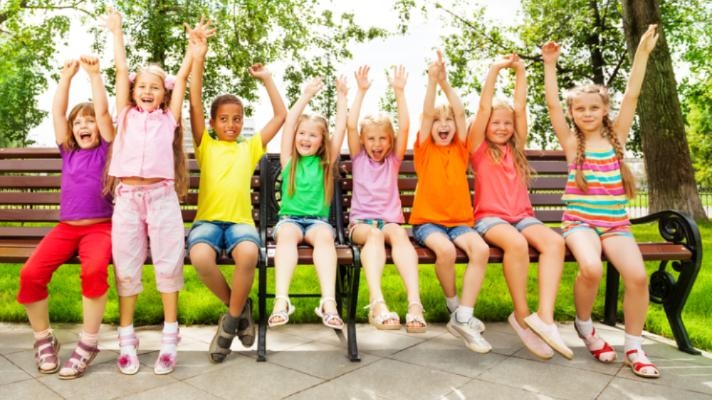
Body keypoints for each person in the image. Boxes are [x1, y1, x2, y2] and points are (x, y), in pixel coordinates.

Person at [543, 24, 660, 377]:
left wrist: (641, 53)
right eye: (580, 109)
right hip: (579, 224)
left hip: (615, 225)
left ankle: (634, 347)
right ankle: (585, 326)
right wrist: (550, 64)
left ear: (604, 109)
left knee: (638, 277)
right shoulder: (570, 142)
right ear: (573, 113)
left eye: (594, 107)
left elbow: (632, 95)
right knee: (591, 268)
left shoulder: (617, 137)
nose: (587, 113)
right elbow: (552, 104)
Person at [186, 20, 287, 363]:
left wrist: (267, 79)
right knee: (201, 257)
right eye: (224, 119)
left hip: (241, 223)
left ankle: (229, 323)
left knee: (247, 255)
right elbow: (194, 104)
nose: (231, 124)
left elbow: (281, 115)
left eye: (237, 118)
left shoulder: (250, 147)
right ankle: (240, 309)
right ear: (213, 123)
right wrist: (199, 57)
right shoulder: (206, 145)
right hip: (207, 222)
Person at [104, 8, 194, 375]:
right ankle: (127, 337)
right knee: (126, 268)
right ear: (132, 91)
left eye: (155, 87)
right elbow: (121, 70)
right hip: (127, 199)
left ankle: (170, 336)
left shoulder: (169, 119)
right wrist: (117, 32)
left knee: (168, 264)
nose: (146, 91)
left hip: (161, 199)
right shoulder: (124, 115)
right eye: (141, 86)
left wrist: (192, 50)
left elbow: (183, 77)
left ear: (164, 95)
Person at [16, 56, 114, 379]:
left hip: (101, 229)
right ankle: (44, 338)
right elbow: (57, 113)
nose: (84, 126)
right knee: (30, 275)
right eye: (78, 122)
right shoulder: (68, 152)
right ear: (72, 131)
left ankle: (88, 343)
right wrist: (66, 78)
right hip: (65, 229)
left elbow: (104, 112)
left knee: (94, 271)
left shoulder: (106, 151)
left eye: (90, 121)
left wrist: (95, 76)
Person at [469, 54, 572, 360]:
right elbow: (483, 108)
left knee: (555, 243)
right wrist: (494, 70)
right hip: (490, 219)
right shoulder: (478, 148)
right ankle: (522, 315)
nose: (502, 127)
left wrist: (522, 71)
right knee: (516, 244)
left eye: (507, 123)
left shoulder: (516, 149)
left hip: (523, 217)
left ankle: (545, 318)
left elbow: (521, 105)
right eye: (495, 123)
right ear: (485, 125)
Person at [410, 51, 491, 352]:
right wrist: (432, 82)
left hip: (460, 223)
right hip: (428, 223)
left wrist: (446, 84)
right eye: (437, 121)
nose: (443, 124)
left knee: (481, 250)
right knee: (445, 252)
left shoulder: (461, 149)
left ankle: (464, 315)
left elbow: (460, 113)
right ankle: (454, 306)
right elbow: (426, 114)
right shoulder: (424, 149)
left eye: (448, 121)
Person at [346, 64, 426, 333]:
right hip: (361, 225)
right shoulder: (358, 158)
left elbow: (405, 128)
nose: (377, 144)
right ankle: (377, 303)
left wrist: (399, 92)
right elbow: (350, 124)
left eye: (383, 138)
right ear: (362, 140)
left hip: (390, 223)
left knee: (399, 234)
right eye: (371, 138)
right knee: (374, 235)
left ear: (390, 141)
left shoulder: (393, 161)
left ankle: (415, 304)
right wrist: (360, 91)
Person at [267, 75, 348, 330]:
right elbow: (290, 122)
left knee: (325, 239)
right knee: (286, 236)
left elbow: (341, 128)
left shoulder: (326, 163)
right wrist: (306, 95)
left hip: (317, 223)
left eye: (312, 135)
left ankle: (329, 303)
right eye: (302, 133)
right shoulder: (289, 160)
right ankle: (281, 301)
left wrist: (342, 96)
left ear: (322, 141)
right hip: (289, 221)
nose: (305, 138)